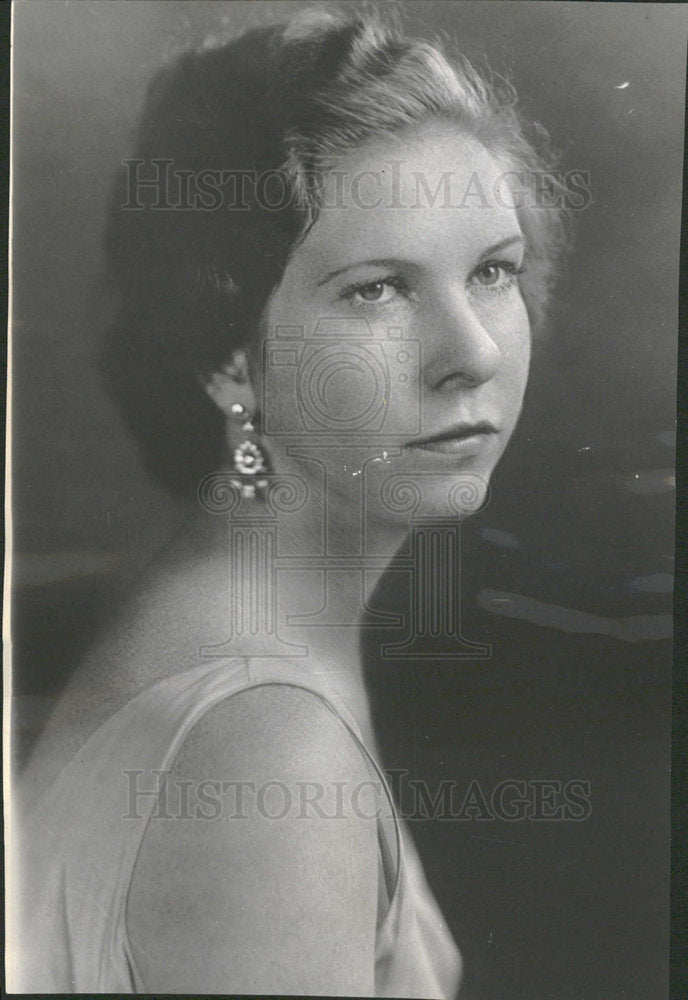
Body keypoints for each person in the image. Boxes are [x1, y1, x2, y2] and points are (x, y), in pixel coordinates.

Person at [9, 8, 566, 996]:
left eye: (491, 271)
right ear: (229, 352)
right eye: (376, 290)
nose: (471, 353)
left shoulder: (230, 613)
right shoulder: (265, 757)